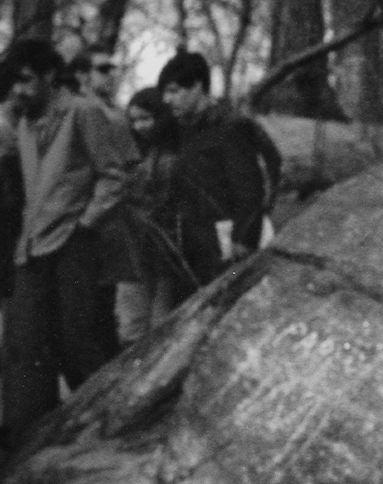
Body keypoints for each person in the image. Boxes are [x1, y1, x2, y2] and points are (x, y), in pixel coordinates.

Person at [0, 37, 130, 443]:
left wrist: (86, 225)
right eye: (13, 83)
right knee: (23, 344)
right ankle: (27, 438)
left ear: (50, 75)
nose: (19, 91)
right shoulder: (23, 123)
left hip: (74, 245)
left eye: (26, 80)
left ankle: (111, 426)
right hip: (33, 248)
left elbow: (115, 176)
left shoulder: (84, 112)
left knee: (77, 342)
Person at [155, 50, 283, 284]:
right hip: (197, 249)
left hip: (229, 250)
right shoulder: (185, 130)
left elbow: (250, 190)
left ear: (197, 87)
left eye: (173, 91)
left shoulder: (229, 128)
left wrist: (242, 241)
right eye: (164, 93)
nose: (167, 100)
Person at [114, 87, 196, 343]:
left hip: (166, 255)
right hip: (133, 253)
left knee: (163, 326)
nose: (139, 126)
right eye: (134, 120)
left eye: (146, 118)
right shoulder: (133, 153)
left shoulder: (177, 155)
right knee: (131, 327)